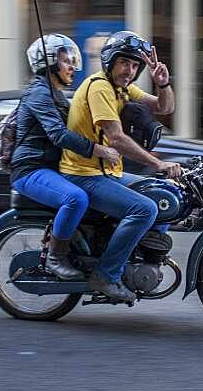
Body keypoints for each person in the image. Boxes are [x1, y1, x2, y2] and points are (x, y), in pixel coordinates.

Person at [59, 30, 180, 303]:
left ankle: (136, 259)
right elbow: (117, 138)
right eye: (125, 63)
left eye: (135, 65)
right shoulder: (100, 86)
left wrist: (163, 83)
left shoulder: (121, 88)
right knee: (144, 208)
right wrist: (159, 163)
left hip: (106, 173)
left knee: (163, 194)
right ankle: (106, 274)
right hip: (83, 174)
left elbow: (164, 107)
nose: (130, 70)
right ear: (110, 61)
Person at [10, 34, 120, 280]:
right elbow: (59, 135)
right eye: (65, 61)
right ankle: (55, 258)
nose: (72, 66)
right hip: (31, 169)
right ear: (48, 64)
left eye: (72, 60)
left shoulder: (57, 94)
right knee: (76, 198)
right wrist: (99, 150)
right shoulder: (39, 94)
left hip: (52, 168)